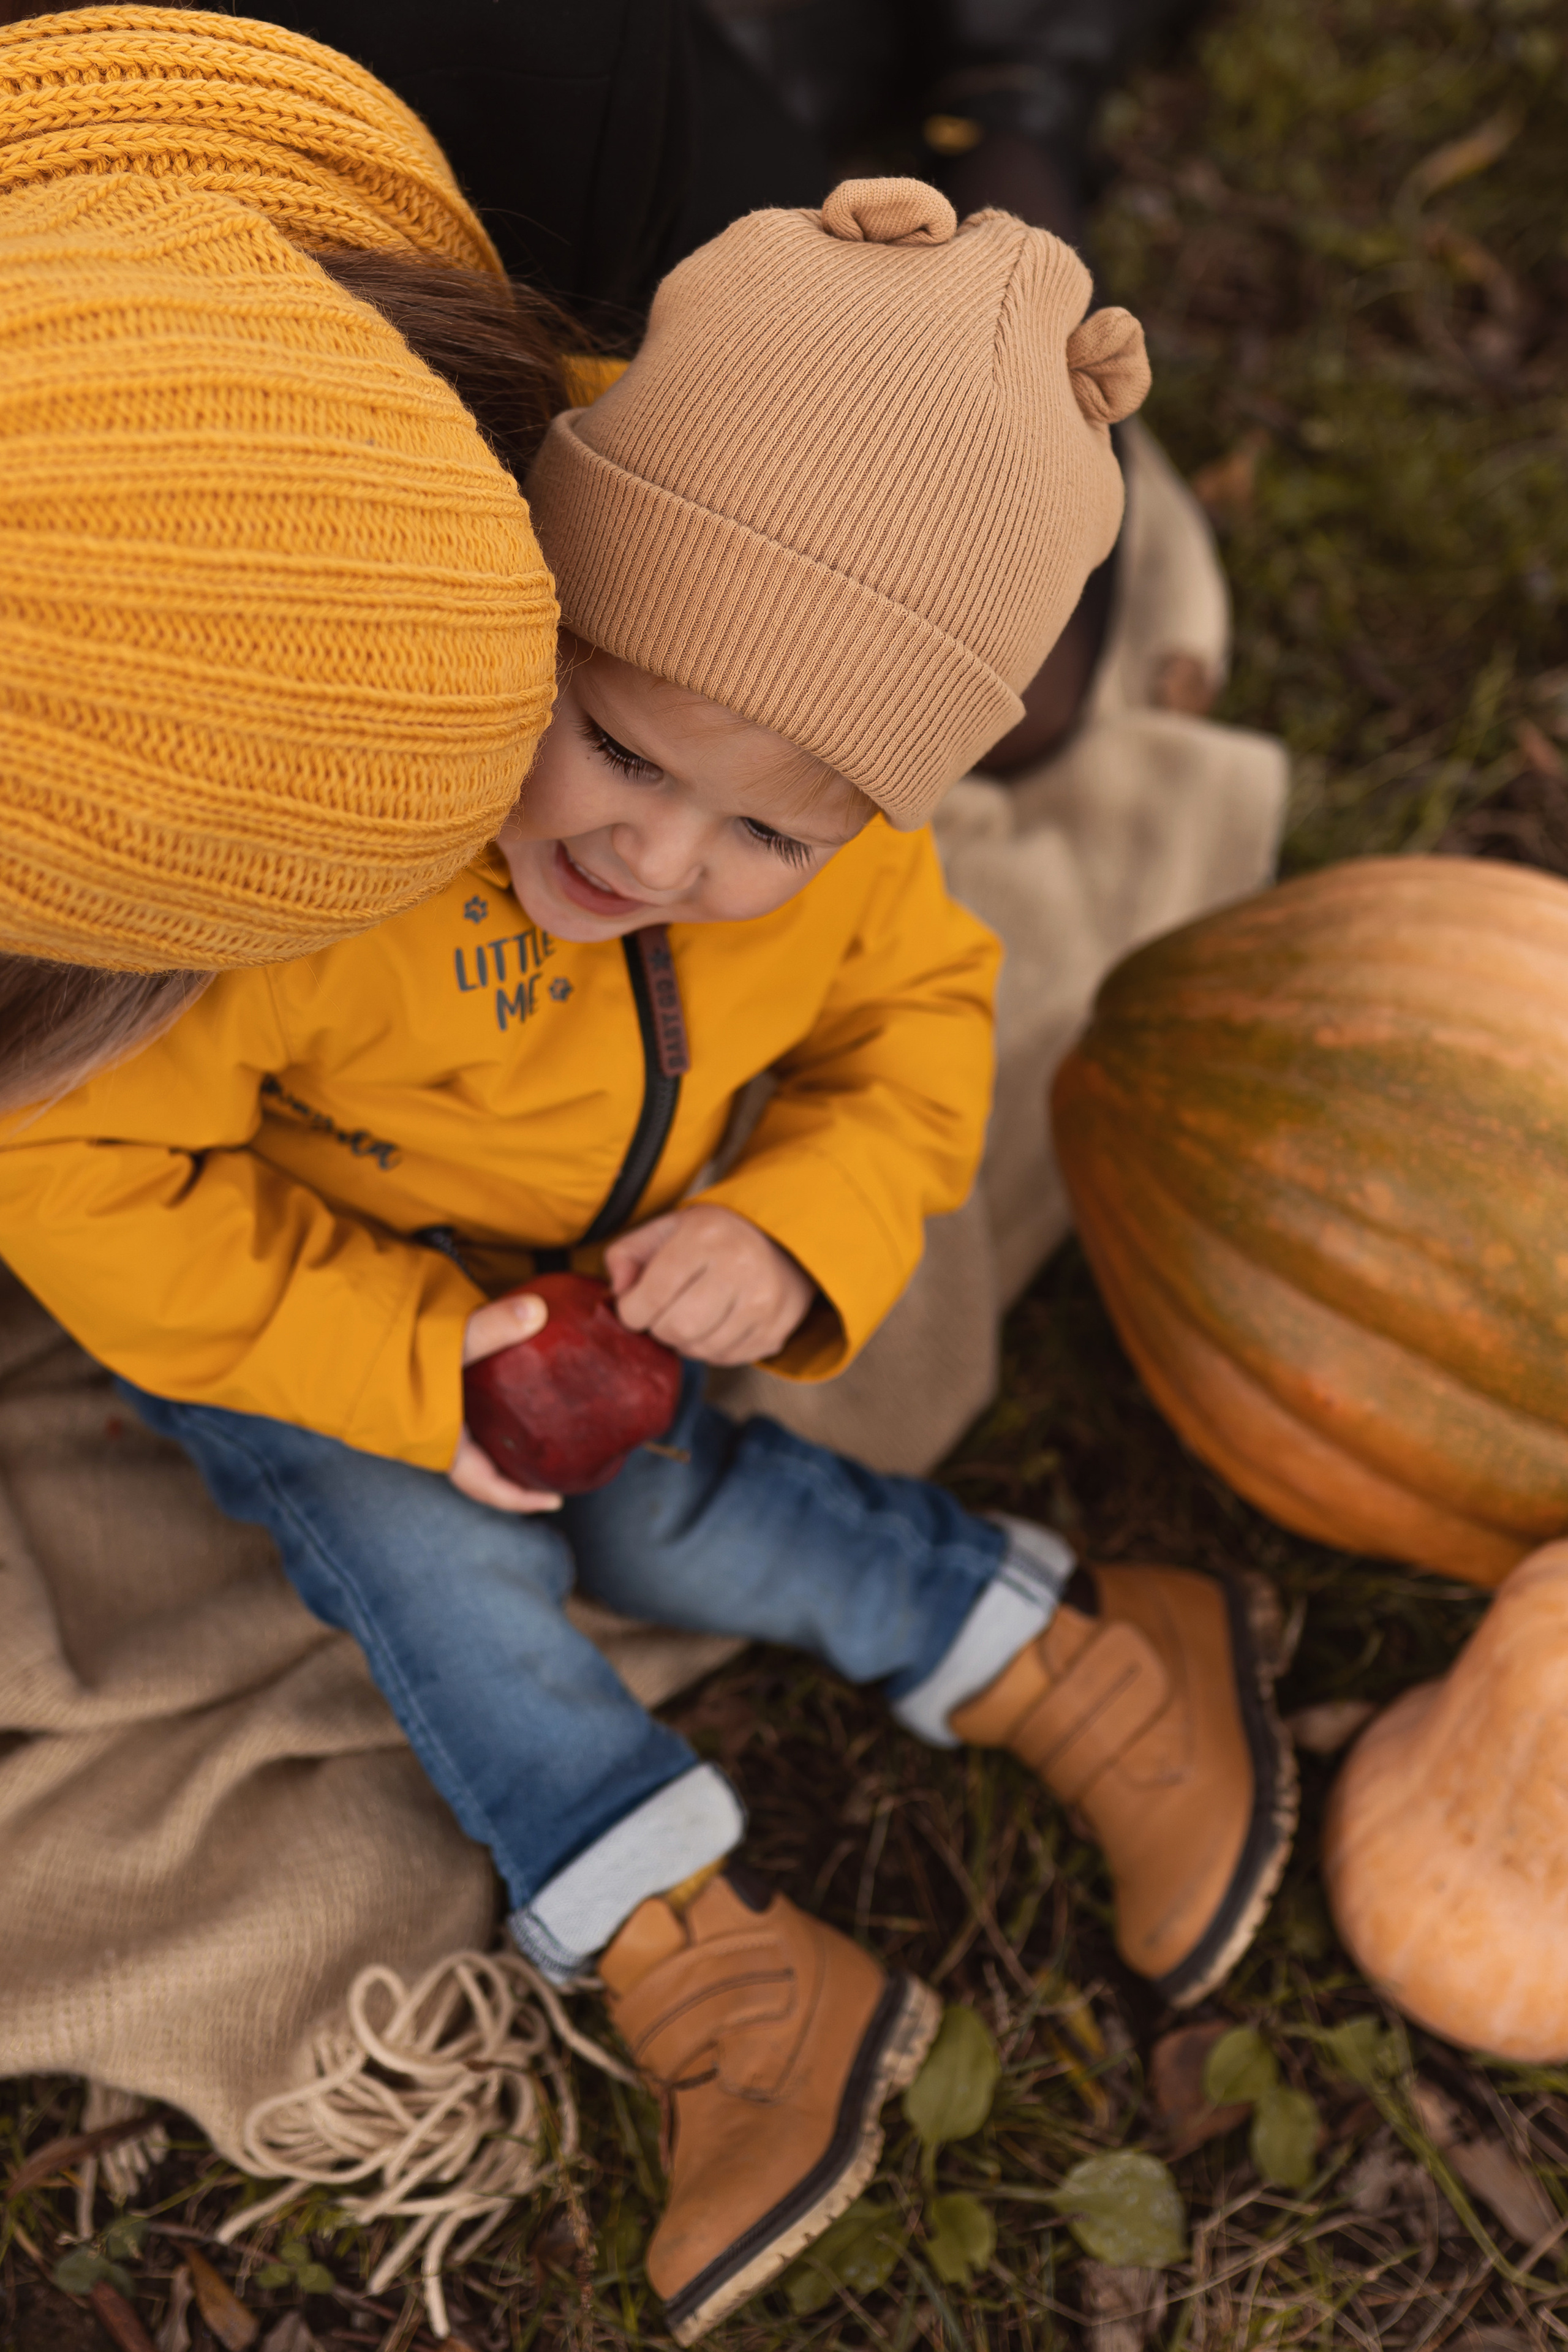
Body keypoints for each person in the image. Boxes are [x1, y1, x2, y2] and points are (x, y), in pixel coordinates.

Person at [0, 176, 1294, 2340]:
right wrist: (421, 1370)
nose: (658, 857)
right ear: (531, 610)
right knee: (435, 1562)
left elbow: (916, 1038)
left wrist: (794, 1239)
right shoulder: (345, 845)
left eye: (767, 837)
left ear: (864, 820)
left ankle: (1085, 1658)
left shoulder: (849, 880)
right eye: (612, 742)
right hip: (311, 1292)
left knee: (676, 1514)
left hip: (605, 1293)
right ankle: (700, 1960)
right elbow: (79, 1168)